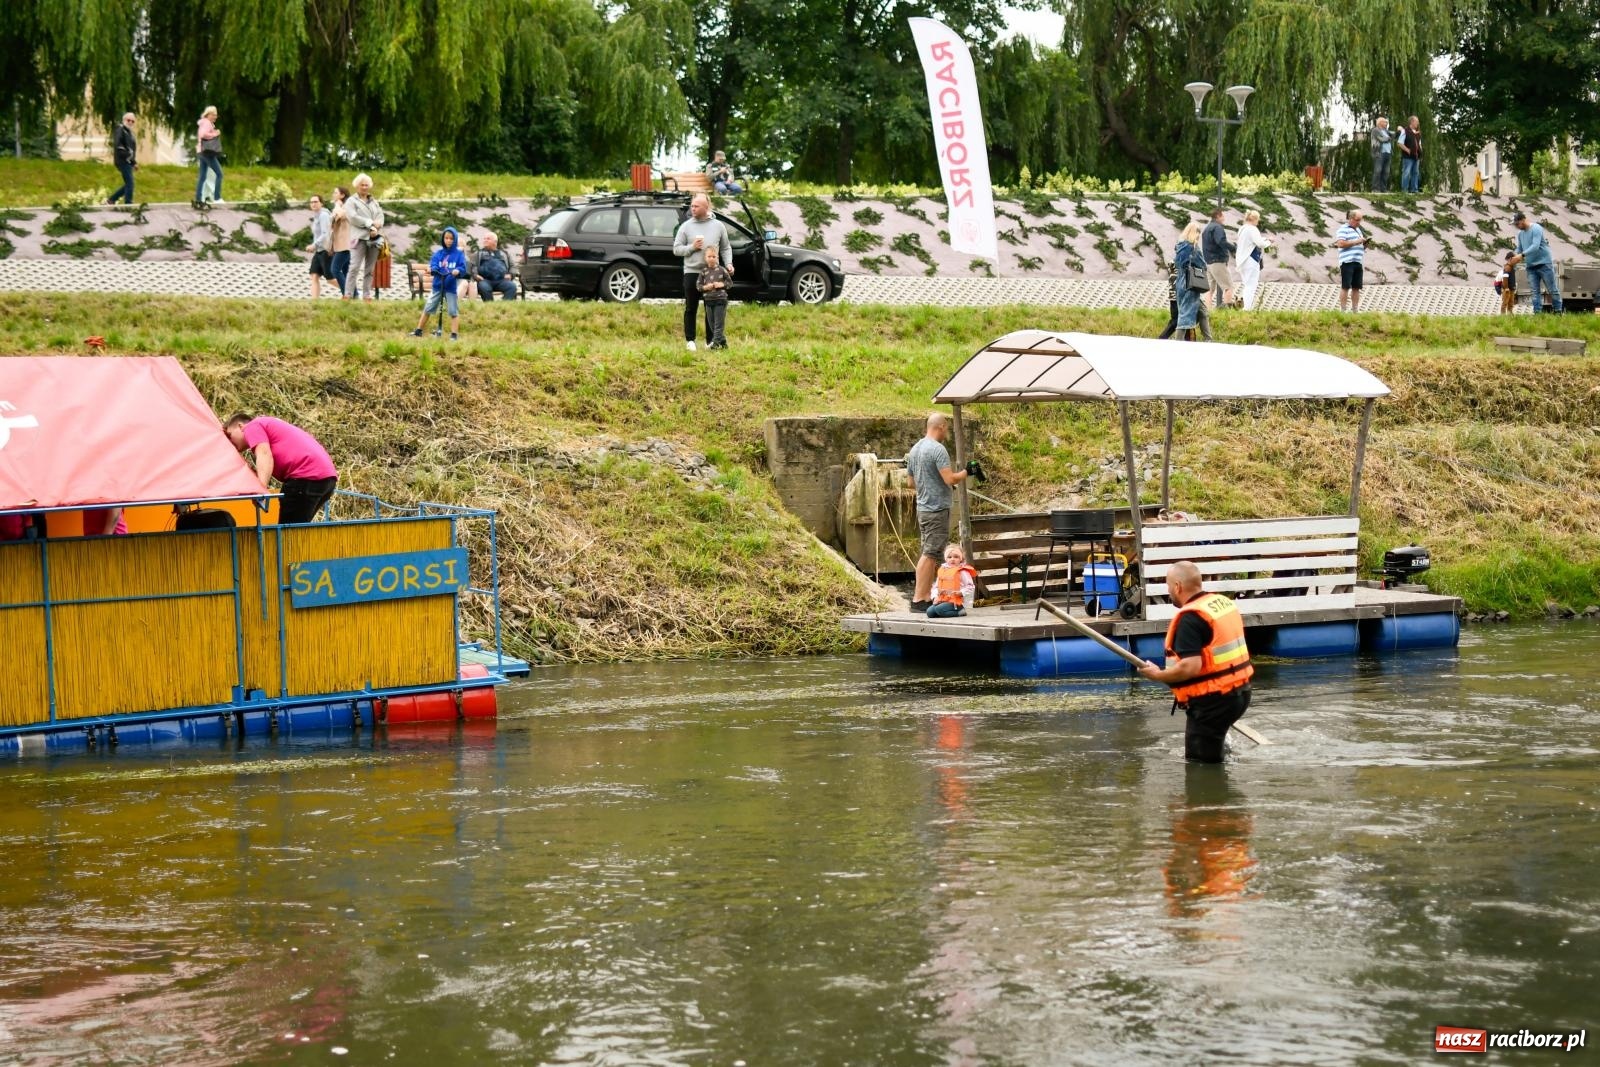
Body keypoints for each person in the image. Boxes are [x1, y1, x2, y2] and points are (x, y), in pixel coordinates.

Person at [1137, 560, 1254, 764]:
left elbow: (1190, 667)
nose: (1169, 591)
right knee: (1216, 750)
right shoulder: (1220, 603)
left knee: (1199, 765)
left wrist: (1157, 675)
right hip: (1240, 693)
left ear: (1177, 587)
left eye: (1168, 586)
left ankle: (1208, 795)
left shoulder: (1190, 618)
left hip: (1213, 702)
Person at [903, 413, 979, 612]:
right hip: (937, 509)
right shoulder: (938, 449)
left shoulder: (915, 449)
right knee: (930, 554)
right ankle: (919, 599)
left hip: (923, 508)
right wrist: (967, 472)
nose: (947, 432)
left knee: (929, 552)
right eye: (947, 429)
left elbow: (910, 483)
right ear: (942, 426)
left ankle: (926, 595)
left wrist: (931, 484)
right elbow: (950, 479)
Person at [223, 414, 338, 525]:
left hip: (305, 476)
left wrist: (260, 489)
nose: (229, 441)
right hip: (326, 478)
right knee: (299, 529)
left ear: (240, 426)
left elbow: (264, 454)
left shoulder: (252, 426)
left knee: (287, 534)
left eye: (229, 434)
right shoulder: (268, 424)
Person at [672, 193, 732, 352]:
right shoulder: (685, 226)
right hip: (692, 271)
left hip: (713, 272)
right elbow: (676, 249)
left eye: (696, 206)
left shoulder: (718, 226)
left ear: (706, 207)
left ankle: (710, 341)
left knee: (711, 307)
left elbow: (726, 247)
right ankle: (690, 340)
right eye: (692, 206)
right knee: (691, 307)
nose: (692, 208)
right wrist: (692, 247)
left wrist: (729, 263)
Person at [411, 226, 467, 340]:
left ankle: (454, 335)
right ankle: (418, 330)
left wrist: (458, 271)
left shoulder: (459, 254)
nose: (449, 241)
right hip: (438, 285)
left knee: (453, 310)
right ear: (443, 239)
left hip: (450, 286)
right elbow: (434, 264)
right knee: (428, 307)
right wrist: (433, 269)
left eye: (451, 239)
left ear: (455, 239)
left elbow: (462, 267)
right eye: (446, 238)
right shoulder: (439, 253)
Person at [1510, 211, 1564, 314]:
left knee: (1552, 289)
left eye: (1517, 224)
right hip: (1531, 266)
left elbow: (1535, 246)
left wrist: (1521, 255)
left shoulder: (1536, 228)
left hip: (1544, 264)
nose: (1517, 226)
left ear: (1522, 220)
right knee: (1535, 291)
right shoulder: (1520, 234)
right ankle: (1537, 313)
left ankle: (1558, 310)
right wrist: (1514, 255)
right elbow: (1520, 248)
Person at [344, 174, 385, 302]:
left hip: (374, 238)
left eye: (366, 185)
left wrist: (377, 227)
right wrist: (371, 224)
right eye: (362, 184)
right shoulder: (351, 201)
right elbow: (353, 217)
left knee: (370, 269)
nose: (364, 187)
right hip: (359, 238)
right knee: (354, 267)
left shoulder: (374, 201)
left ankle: (367, 295)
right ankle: (348, 294)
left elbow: (380, 216)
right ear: (357, 186)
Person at [1173, 222, 1212, 341]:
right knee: (1185, 313)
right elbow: (1203, 265)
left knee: (1202, 311)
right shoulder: (1193, 247)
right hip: (1190, 284)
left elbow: (1176, 263)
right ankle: (1178, 341)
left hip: (1180, 282)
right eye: (1198, 234)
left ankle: (1208, 339)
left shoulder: (1179, 246)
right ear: (1194, 234)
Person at [926, 543, 977, 618]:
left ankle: (960, 611)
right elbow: (935, 587)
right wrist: (935, 597)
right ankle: (944, 611)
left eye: (956, 557)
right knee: (930, 612)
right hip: (943, 600)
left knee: (939, 609)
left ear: (961, 558)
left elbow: (970, 587)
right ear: (946, 559)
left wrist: (961, 592)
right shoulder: (942, 570)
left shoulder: (962, 571)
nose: (952, 559)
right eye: (949, 557)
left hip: (956, 601)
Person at [1235, 209, 1272, 312]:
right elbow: (1260, 244)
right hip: (1250, 260)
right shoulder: (1252, 229)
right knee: (1251, 285)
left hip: (1242, 261)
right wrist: (1269, 241)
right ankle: (1246, 308)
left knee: (1247, 284)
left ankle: (1244, 307)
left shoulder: (1242, 229)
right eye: (1258, 219)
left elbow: (1253, 242)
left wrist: (1264, 240)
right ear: (1254, 219)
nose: (1258, 222)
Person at [697, 245, 732, 349]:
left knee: (718, 324)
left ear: (717, 257)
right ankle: (724, 343)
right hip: (708, 300)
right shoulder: (703, 272)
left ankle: (715, 344)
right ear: (705, 258)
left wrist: (721, 285)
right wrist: (705, 287)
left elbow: (730, 283)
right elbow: (698, 286)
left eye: (714, 256)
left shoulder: (722, 270)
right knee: (712, 325)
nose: (711, 258)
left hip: (720, 299)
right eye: (709, 256)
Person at [1201, 206, 1235, 309]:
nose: (1224, 218)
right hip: (1218, 261)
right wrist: (1233, 248)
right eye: (1222, 216)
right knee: (1228, 287)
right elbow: (1221, 241)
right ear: (1218, 216)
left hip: (1209, 262)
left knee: (1209, 289)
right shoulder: (1217, 228)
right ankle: (1227, 311)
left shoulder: (1206, 229)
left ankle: (1208, 310)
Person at [1335, 209, 1366, 312]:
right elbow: (1340, 244)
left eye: (1360, 220)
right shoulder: (1343, 229)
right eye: (1357, 220)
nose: (1359, 222)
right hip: (1347, 262)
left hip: (1358, 261)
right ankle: (1343, 310)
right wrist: (1357, 242)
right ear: (1351, 219)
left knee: (1356, 287)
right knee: (1345, 286)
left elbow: (1357, 244)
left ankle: (1355, 310)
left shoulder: (1358, 230)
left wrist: (1364, 245)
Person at [471, 232, 517, 301]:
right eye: (484, 239)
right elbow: (472, 266)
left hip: (502, 280)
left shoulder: (504, 254)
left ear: (495, 242)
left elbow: (513, 266)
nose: (485, 240)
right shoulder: (478, 254)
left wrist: (511, 274)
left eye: (488, 239)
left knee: (512, 287)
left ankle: (503, 306)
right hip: (485, 280)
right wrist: (475, 275)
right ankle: (490, 307)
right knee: (484, 287)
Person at [193, 106, 223, 207]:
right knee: (219, 174)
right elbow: (203, 134)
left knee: (202, 176)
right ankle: (217, 198)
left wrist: (213, 132)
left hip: (201, 151)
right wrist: (215, 134)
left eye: (216, 115)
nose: (215, 117)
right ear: (209, 114)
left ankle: (198, 198)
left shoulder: (204, 122)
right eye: (214, 115)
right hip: (206, 152)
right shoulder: (206, 123)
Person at [306, 195, 333, 299]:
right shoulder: (317, 216)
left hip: (325, 250)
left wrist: (314, 245)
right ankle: (315, 301)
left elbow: (325, 234)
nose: (313, 204)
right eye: (311, 202)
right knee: (314, 275)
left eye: (316, 202)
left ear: (321, 203)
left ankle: (353, 292)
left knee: (330, 279)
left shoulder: (324, 215)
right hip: (319, 251)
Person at [108, 113, 138, 205]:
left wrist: (133, 162)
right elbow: (119, 146)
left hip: (128, 161)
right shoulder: (120, 129)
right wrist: (130, 158)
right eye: (128, 120)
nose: (130, 122)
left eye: (132, 121)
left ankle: (112, 199)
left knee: (129, 184)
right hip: (122, 160)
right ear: (124, 120)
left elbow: (131, 150)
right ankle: (128, 203)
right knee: (130, 183)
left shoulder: (129, 133)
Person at [328, 187, 352, 299]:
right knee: (346, 271)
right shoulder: (339, 207)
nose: (333, 194)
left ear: (342, 195)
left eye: (335, 192)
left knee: (335, 269)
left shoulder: (347, 206)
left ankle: (346, 294)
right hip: (341, 244)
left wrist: (337, 205)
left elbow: (341, 215)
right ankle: (354, 294)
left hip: (345, 245)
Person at [1157, 254, 1179, 339]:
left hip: (1174, 295)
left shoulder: (1174, 262)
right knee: (1175, 320)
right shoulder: (1181, 262)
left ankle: (1188, 340)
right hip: (1177, 295)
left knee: (1178, 320)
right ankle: (1162, 338)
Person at [1398, 115, 1422, 193]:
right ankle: (1404, 190)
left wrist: (1420, 151)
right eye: (1416, 121)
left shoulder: (1418, 133)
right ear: (1412, 122)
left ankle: (1414, 189)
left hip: (1416, 156)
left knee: (1415, 173)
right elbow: (1400, 143)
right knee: (1406, 172)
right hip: (1408, 156)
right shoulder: (1405, 131)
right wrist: (1407, 150)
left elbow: (1419, 144)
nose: (1418, 123)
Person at [1369, 116, 1393, 193]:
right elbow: (1382, 139)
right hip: (1379, 153)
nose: (1386, 123)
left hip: (1388, 153)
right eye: (1385, 122)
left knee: (1386, 172)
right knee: (1378, 170)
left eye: (1386, 122)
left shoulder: (1386, 131)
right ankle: (1375, 188)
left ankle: (1383, 189)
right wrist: (1390, 138)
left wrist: (1399, 132)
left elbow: (1394, 135)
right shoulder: (1375, 130)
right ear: (1380, 123)